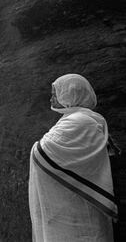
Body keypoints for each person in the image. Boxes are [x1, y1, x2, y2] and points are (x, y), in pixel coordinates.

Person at [29, 74, 117, 241]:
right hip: (69, 202)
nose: (51, 99)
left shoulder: (81, 121)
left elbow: (42, 151)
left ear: (70, 94)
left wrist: (35, 147)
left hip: (79, 205)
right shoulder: (81, 119)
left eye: (55, 94)